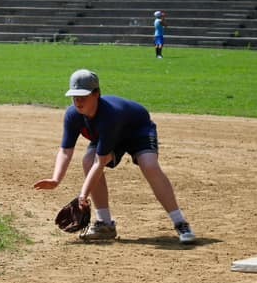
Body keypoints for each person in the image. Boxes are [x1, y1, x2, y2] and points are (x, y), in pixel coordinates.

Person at [34, 69, 196, 244]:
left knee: (149, 164)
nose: (78, 101)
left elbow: (100, 162)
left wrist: (82, 196)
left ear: (97, 94)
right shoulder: (73, 115)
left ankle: (180, 222)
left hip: (137, 130)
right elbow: (66, 150)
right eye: (75, 96)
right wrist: (56, 179)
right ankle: (105, 224)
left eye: (83, 96)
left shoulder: (109, 115)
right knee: (87, 160)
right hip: (110, 135)